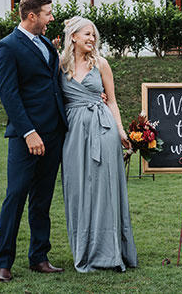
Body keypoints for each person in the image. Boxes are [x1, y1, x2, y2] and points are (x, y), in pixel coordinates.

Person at [0, 0, 68, 282]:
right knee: (16, 197)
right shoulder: (7, 47)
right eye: (48, 13)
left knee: (42, 200)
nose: (52, 18)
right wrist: (28, 132)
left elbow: (52, 83)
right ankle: (3, 263)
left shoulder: (47, 44)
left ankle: (39, 257)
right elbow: (9, 95)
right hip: (27, 137)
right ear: (32, 15)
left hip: (54, 133)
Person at [58, 16, 138, 272]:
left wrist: (121, 130)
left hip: (102, 129)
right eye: (86, 34)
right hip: (72, 133)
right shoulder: (59, 66)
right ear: (73, 37)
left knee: (104, 189)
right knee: (77, 189)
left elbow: (112, 101)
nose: (92, 39)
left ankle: (109, 252)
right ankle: (84, 249)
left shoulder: (101, 64)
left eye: (93, 35)